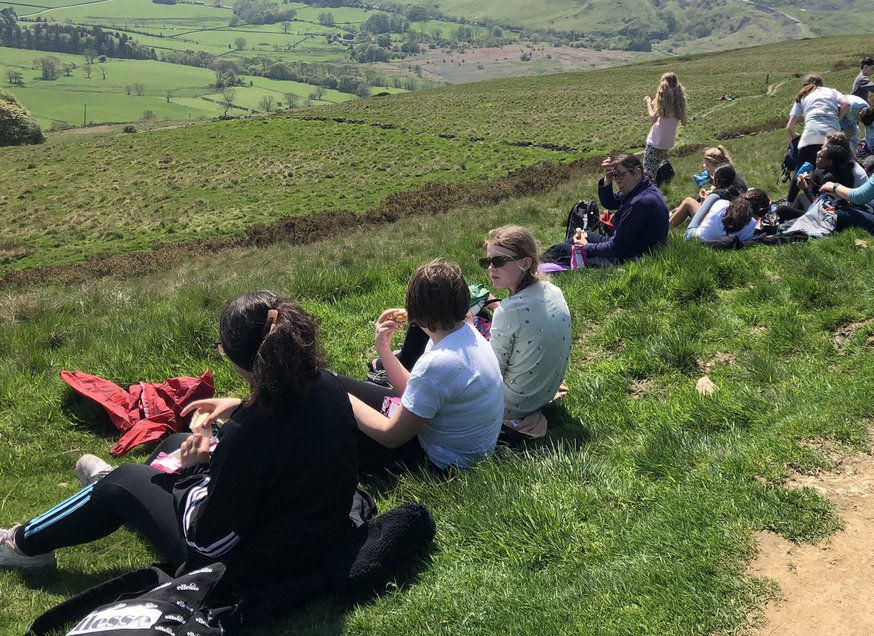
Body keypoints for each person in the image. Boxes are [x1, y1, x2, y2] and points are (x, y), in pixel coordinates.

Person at [1, 293, 360, 589]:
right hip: (316, 527)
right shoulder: (325, 383)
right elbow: (286, 428)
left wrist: (194, 471)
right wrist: (238, 407)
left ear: (231, 354)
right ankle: (124, 501)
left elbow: (208, 543)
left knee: (122, 481)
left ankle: (23, 544)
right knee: (176, 442)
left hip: (255, 567)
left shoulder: (247, 436)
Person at [347, 260, 504, 474]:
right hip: (462, 449)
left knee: (336, 407)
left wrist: (342, 397)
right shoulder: (465, 333)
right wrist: (384, 348)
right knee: (338, 383)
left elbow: (391, 437)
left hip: (440, 461)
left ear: (416, 314)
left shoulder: (438, 364)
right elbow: (412, 389)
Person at [480, 226, 571, 440]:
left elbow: (492, 372)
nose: (491, 268)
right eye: (487, 262)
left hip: (511, 405)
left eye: (499, 261)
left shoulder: (508, 312)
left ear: (526, 262)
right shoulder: (554, 292)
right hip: (544, 392)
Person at [570, 153, 669, 266]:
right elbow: (610, 202)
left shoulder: (639, 203)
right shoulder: (642, 188)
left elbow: (616, 249)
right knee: (583, 235)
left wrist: (586, 246)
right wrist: (608, 179)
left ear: (636, 173)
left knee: (565, 250)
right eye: (615, 176)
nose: (617, 181)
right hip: (633, 248)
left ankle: (546, 264)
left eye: (621, 175)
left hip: (632, 258)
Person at [669, 146, 746, 228]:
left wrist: (704, 200)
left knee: (689, 202)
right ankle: (678, 214)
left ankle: (665, 228)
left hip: (720, 222)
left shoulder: (728, 184)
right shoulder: (730, 176)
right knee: (703, 193)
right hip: (727, 219)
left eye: (708, 165)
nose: (706, 169)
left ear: (717, 166)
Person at [787, 74, 850, 169]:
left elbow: (790, 127)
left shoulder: (803, 95)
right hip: (832, 138)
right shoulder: (832, 91)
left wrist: (795, 136)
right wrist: (837, 118)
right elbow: (846, 104)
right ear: (822, 84)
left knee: (803, 173)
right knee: (835, 171)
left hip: (810, 138)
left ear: (805, 86)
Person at [642, 72, 687, 180]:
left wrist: (648, 102)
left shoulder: (662, 100)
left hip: (655, 141)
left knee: (648, 170)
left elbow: (653, 117)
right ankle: (659, 187)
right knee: (658, 166)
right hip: (667, 142)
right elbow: (684, 122)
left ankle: (649, 191)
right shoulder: (679, 102)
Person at [687, 188, 770, 244]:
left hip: (692, 238)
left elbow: (707, 223)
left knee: (689, 201)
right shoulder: (751, 224)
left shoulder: (722, 204)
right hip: (709, 244)